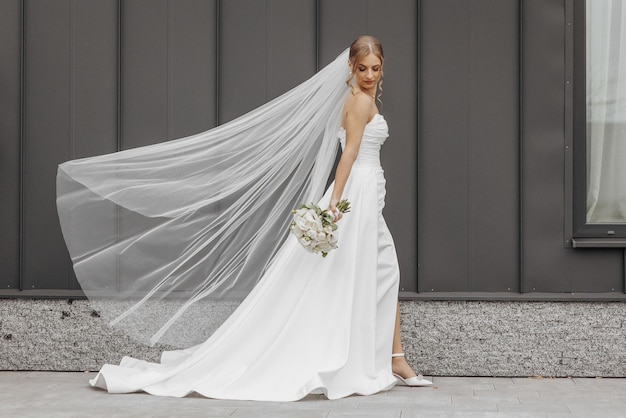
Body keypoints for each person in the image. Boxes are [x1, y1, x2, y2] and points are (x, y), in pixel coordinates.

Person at [58, 35, 431, 401]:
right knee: (380, 269)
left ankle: (396, 358)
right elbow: (348, 154)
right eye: (363, 68)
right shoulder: (360, 103)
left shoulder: (358, 99)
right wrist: (335, 201)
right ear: (351, 67)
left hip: (365, 192)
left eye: (376, 68)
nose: (370, 75)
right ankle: (393, 360)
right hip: (356, 194)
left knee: (381, 271)